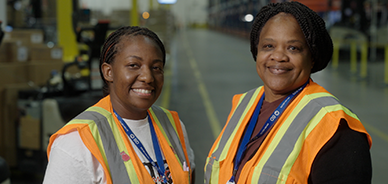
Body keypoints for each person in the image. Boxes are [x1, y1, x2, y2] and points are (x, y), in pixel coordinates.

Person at [204, 2, 372, 184]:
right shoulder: (244, 103)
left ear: (312, 57)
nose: (278, 56)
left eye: (293, 48)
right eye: (268, 46)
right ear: (256, 51)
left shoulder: (336, 129)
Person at [43, 26, 195, 184]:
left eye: (156, 68)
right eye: (133, 65)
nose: (148, 77)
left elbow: (188, 175)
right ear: (108, 72)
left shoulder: (174, 126)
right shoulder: (77, 143)